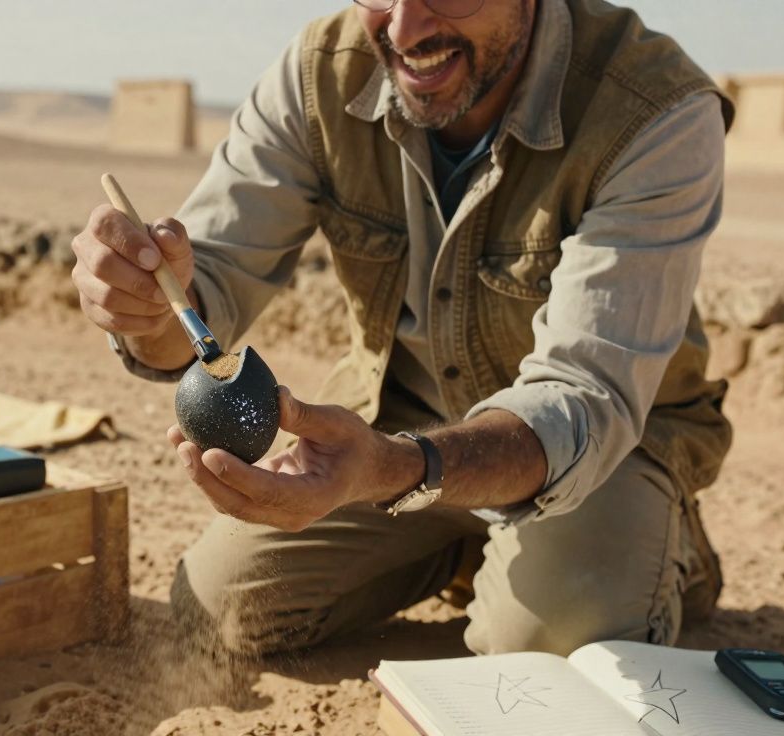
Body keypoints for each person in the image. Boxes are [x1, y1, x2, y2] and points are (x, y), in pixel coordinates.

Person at [71, 0, 733, 657]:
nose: (404, 29)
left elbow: (582, 399)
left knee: (546, 644)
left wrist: (392, 470)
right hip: (396, 424)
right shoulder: (318, 74)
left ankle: (669, 546)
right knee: (225, 610)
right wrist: (146, 306)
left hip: (594, 455)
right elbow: (204, 289)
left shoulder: (654, 109)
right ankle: (462, 547)